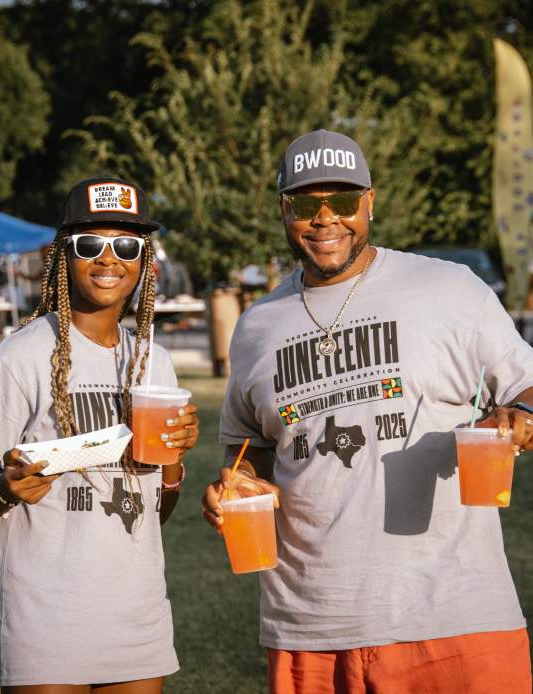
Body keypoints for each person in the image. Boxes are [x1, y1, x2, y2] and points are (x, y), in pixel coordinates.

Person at [202, 130, 533, 693]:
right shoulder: (258, 326)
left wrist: (519, 419)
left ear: (371, 202)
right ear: (285, 210)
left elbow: (529, 387)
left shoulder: (450, 289)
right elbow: (248, 450)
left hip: (455, 615)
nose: (327, 219)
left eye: (345, 202)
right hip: (308, 625)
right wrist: (234, 487)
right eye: (307, 204)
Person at [0, 176, 199, 694]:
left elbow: (156, 510)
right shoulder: (19, 356)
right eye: (91, 244)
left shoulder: (154, 359)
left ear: (143, 260)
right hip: (44, 617)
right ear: (64, 256)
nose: (109, 259)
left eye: (126, 245)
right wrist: (5, 488)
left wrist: (174, 461)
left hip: (137, 614)